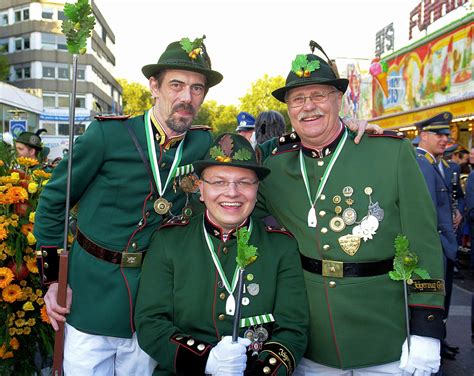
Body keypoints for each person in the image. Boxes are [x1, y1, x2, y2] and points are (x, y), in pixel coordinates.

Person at [33, 36, 223, 374]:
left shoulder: (203, 143)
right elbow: (52, 203)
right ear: (154, 85)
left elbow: (250, 166)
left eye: (197, 88)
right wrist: (51, 281)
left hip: (155, 303)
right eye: (176, 85)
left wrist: (347, 128)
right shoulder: (109, 135)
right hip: (91, 297)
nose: (186, 97)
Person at [256, 41, 446, 375]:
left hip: (386, 337)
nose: (308, 107)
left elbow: (424, 244)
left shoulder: (391, 153)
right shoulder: (275, 165)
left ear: (338, 99)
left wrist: (427, 328)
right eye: (298, 99)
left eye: (319, 96)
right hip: (311, 341)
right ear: (288, 109)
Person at [135, 133, 309, 375]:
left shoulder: (281, 246)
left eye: (244, 182)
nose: (232, 192)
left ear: (256, 190)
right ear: (201, 190)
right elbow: (150, 324)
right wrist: (207, 361)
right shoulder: (169, 241)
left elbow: (293, 330)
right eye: (218, 182)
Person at [415, 111, 462, 360]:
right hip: (437, 244)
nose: (446, 139)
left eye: (447, 134)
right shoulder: (423, 164)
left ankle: (439, 342)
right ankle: (434, 346)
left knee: (443, 300)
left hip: (444, 243)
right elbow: (427, 211)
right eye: (439, 134)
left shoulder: (435, 163)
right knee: (434, 299)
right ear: (423, 136)